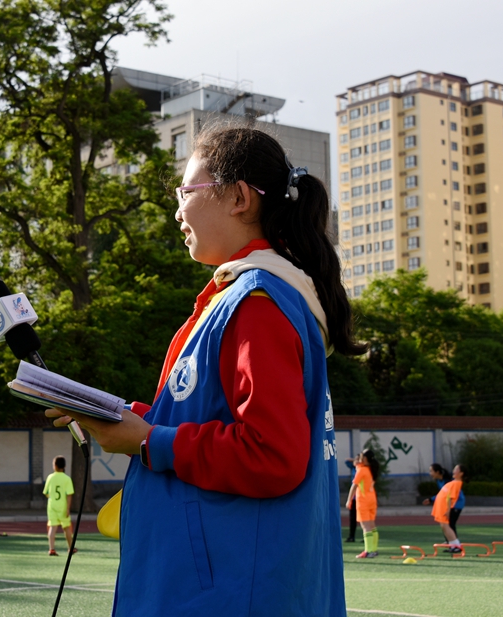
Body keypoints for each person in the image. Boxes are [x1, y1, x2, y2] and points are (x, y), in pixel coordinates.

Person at [48, 126, 364, 615]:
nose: (177, 210)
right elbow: (206, 416)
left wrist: (148, 441)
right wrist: (126, 419)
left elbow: (272, 456)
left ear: (238, 198)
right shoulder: (245, 296)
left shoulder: (257, 301)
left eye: (185, 192)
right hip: (223, 581)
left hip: (229, 589)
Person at [345, 449, 379, 559]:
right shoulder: (371, 469)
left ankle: (368, 551)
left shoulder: (362, 470)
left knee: (365, 526)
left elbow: (354, 485)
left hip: (363, 500)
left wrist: (349, 500)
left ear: (365, 458)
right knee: (372, 525)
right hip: (372, 499)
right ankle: (373, 549)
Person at [43, 455, 77, 556]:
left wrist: (51, 496)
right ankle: (70, 548)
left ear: (55, 466)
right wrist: (68, 508)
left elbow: (46, 492)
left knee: (53, 527)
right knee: (66, 527)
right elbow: (69, 494)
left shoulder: (50, 477)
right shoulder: (67, 479)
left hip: (52, 506)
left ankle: (51, 549)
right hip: (63, 506)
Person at [422, 463, 465, 540]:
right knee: (446, 523)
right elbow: (442, 494)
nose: (430, 473)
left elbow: (449, 496)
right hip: (449, 503)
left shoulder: (447, 481)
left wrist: (448, 509)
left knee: (450, 524)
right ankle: (450, 542)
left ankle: (454, 544)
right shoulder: (439, 481)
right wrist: (431, 499)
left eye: (431, 471)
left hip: (456, 503)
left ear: (437, 472)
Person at [431, 464, 466, 553]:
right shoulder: (453, 482)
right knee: (444, 526)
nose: (454, 471)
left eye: (456, 469)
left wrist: (448, 510)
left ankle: (457, 545)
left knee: (447, 526)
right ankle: (452, 545)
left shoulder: (457, 483)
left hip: (447, 507)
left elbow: (450, 498)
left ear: (461, 473)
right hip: (442, 506)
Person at [344, 457, 358, 542]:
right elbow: (347, 461)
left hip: (360, 498)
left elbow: (354, 485)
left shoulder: (362, 470)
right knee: (353, 518)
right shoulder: (355, 468)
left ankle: (366, 538)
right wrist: (355, 459)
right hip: (355, 497)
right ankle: (351, 536)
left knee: (364, 520)